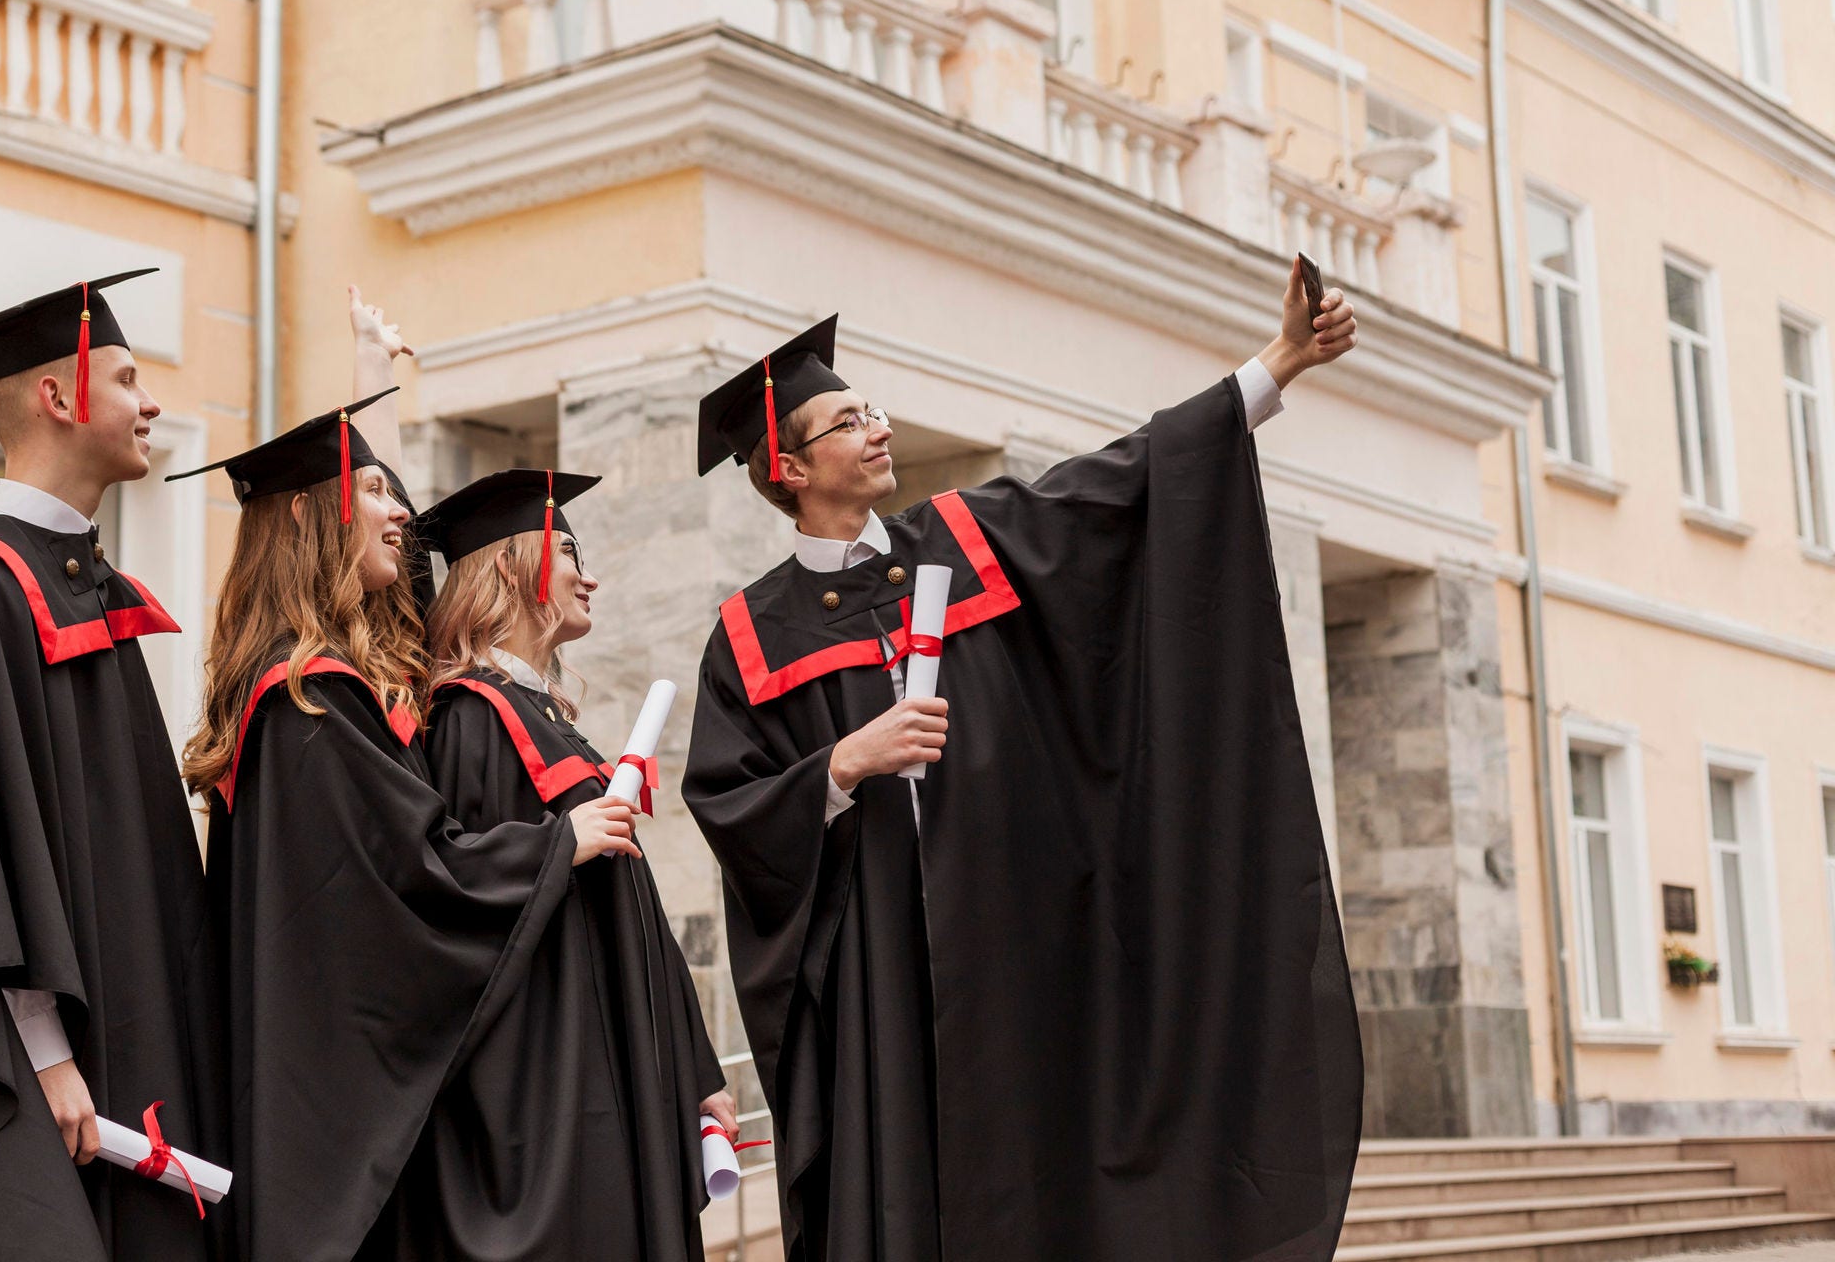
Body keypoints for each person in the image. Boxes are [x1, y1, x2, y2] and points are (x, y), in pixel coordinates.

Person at [682, 259, 1365, 1262]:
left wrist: (1278, 364)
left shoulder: (964, 538)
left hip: (1018, 940)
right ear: (785, 467)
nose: (876, 428)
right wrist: (841, 766)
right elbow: (727, 806)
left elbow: (1126, 478)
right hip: (885, 965)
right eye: (845, 421)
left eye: (871, 410)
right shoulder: (751, 634)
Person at [171, 393, 643, 1261]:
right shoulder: (308, 699)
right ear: (315, 514)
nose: (403, 517)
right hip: (326, 1095)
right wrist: (556, 846)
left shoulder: (305, 688)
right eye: (379, 493)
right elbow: (402, 880)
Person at [0, 272, 222, 1262]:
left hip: (129, 1034)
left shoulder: (88, 590)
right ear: (60, 397)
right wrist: (48, 1060)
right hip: (40, 1070)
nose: (151, 402)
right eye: (126, 377)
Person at [405, 468, 734, 1260]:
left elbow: (630, 911)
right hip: (544, 1097)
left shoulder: (539, 717)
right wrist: (557, 844)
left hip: (608, 1065)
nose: (588, 574)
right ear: (509, 568)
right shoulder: (468, 720)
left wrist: (693, 1067)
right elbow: (451, 896)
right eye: (565, 551)